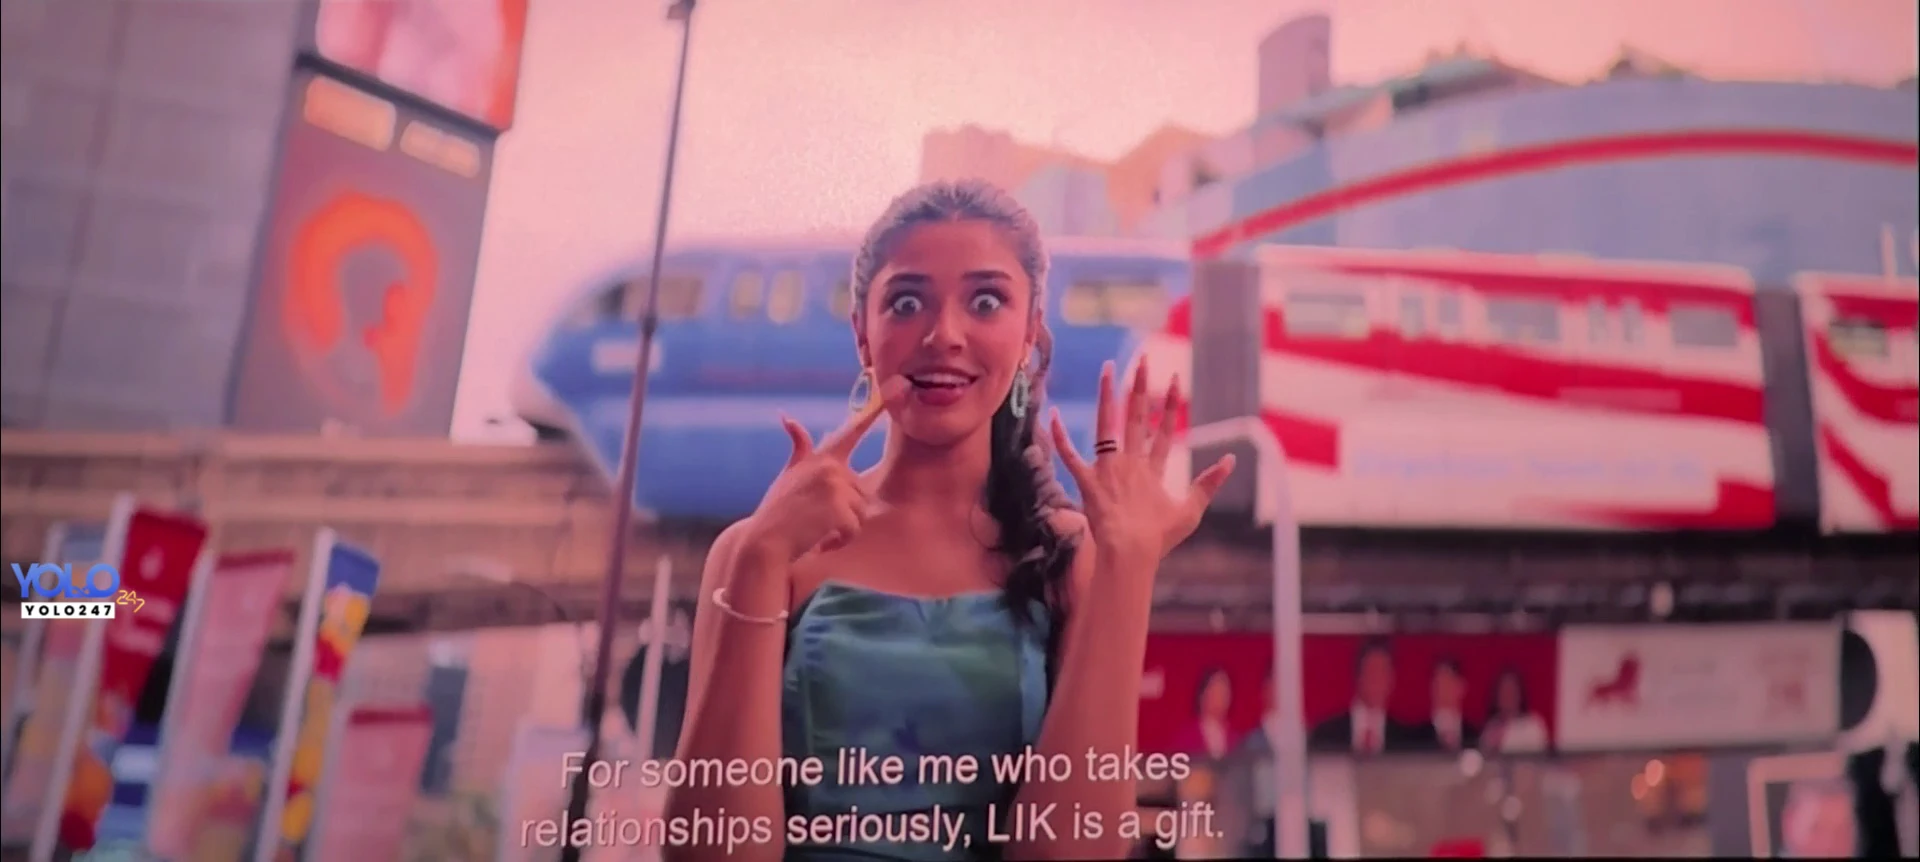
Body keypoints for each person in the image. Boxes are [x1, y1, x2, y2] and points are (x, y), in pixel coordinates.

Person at [665, 180, 1236, 862]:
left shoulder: (1072, 557)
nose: (944, 335)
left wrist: (1128, 566)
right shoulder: (759, 551)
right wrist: (760, 558)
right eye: (907, 303)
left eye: (986, 301)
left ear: (1029, 335)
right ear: (862, 335)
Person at [1308, 637, 1417, 755]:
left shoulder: (1406, 740)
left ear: (1392, 680)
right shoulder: (1325, 734)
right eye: (1372, 671)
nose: (1377, 681)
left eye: (1383, 672)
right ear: (1358, 676)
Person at [1408, 658, 1479, 752]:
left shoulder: (1475, 736)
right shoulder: (1416, 737)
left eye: (1448, 679)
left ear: (1462, 686)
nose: (1442, 687)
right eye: (1437, 680)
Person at [1171, 666, 1238, 763]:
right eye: (1216, 689)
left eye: (1225, 690)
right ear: (1202, 695)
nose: (1221, 696)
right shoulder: (1186, 737)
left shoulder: (1237, 741)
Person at [1479, 667, 1549, 754]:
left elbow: (1541, 758)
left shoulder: (1533, 725)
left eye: (1511, 690)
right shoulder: (1490, 727)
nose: (1507, 695)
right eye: (1503, 690)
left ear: (1520, 694)